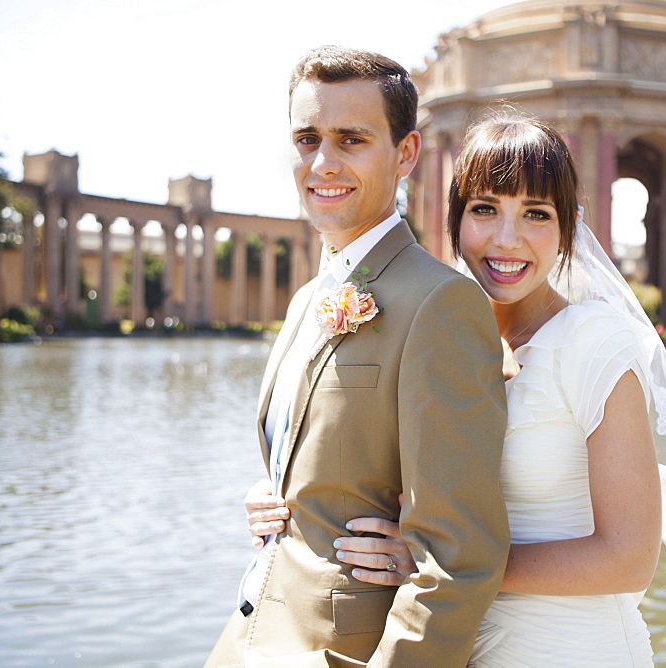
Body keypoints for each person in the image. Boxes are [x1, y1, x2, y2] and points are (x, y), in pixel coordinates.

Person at [323, 114, 666, 666]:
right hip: (452, 647)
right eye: (485, 209)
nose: (506, 239)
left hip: (572, 649)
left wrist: (443, 564)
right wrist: (279, 503)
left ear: (567, 231)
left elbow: (628, 558)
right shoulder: (437, 342)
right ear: (455, 223)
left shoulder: (595, 345)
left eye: (535, 214)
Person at [206, 46, 510, 667]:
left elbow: (458, 558)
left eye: (351, 139)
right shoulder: (303, 302)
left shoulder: (442, 304)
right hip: (248, 633)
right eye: (307, 138)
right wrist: (278, 493)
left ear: (405, 154)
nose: (323, 162)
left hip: (342, 650)